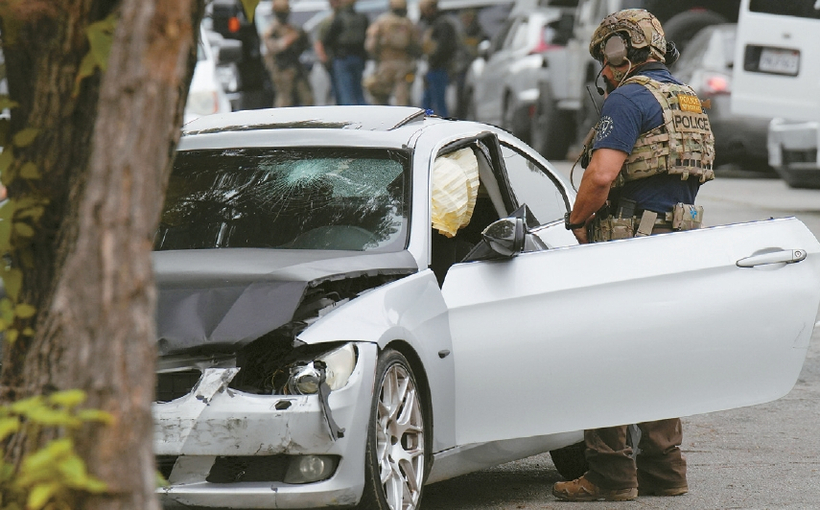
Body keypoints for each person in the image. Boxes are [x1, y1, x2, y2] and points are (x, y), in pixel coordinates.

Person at [552, 8, 715, 502]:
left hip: (627, 243)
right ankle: (666, 474)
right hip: (674, 242)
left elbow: (601, 175)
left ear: (624, 50)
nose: (603, 69)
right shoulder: (687, 99)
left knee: (606, 358)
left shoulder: (626, 99)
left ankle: (609, 476)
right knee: (658, 358)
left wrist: (576, 223)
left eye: (606, 56)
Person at [363, 0, 421, 105]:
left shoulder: (381, 21)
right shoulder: (409, 23)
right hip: (404, 65)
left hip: (385, 64)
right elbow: (416, 45)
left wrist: (377, 56)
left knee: (380, 98)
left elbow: (370, 45)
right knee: (403, 98)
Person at [263, 0, 314, 107]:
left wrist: (299, 36)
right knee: (284, 101)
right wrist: (290, 38)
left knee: (307, 98)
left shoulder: (293, 27)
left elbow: (306, 44)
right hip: (282, 70)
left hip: (296, 67)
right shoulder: (272, 30)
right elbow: (274, 47)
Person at [321, 0, 369, 105]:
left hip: (342, 58)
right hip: (358, 58)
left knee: (345, 92)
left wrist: (331, 55)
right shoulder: (362, 18)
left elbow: (328, 40)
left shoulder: (339, 18)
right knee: (358, 91)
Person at [419, 0, 457, 117]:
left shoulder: (441, 24)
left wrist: (434, 61)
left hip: (439, 68)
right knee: (429, 100)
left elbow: (443, 48)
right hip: (434, 67)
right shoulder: (436, 23)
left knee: (438, 101)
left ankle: (444, 124)